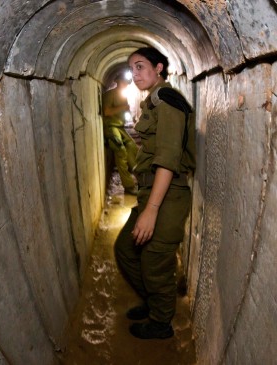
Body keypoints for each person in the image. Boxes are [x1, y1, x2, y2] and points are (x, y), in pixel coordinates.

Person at [114, 47, 196, 339]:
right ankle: (154, 301)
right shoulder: (153, 101)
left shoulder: (167, 101)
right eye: (132, 69)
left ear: (159, 68)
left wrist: (151, 211)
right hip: (150, 192)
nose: (135, 74)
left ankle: (162, 322)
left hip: (167, 195)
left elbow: (168, 159)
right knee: (125, 249)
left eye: (141, 66)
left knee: (155, 264)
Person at [102, 74, 139, 195]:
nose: (125, 84)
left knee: (132, 147)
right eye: (123, 82)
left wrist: (126, 111)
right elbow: (107, 111)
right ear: (117, 81)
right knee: (121, 151)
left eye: (127, 83)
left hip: (120, 126)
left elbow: (124, 111)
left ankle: (137, 175)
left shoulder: (123, 96)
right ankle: (128, 186)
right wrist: (122, 107)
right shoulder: (109, 94)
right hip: (111, 126)